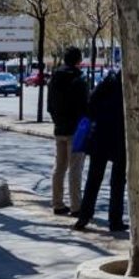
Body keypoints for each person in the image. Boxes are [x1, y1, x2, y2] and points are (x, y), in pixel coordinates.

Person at [72, 69, 127, 233]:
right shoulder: (129, 88)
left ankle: (84, 216)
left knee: (94, 179)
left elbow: (90, 104)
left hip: (100, 137)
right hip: (119, 138)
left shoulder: (107, 82)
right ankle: (115, 220)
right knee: (117, 182)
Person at [46, 47, 89, 216]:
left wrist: (57, 121)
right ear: (78, 61)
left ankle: (57, 203)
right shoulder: (79, 79)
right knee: (75, 169)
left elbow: (49, 105)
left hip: (59, 128)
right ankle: (76, 206)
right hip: (76, 130)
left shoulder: (54, 78)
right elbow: (86, 106)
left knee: (59, 167)